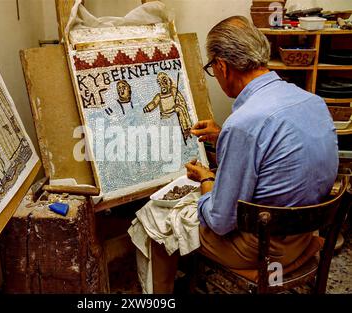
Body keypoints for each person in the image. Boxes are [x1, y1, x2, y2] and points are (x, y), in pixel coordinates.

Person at [130, 16, 338, 294]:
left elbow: (220, 220)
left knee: (154, 220)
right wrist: (223, 136)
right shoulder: (311, 101)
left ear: (222, 66)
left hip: (264, 248)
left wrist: (206, 180)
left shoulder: (244, 124)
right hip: (305, 233)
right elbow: (274, 145)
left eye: (211, 68)